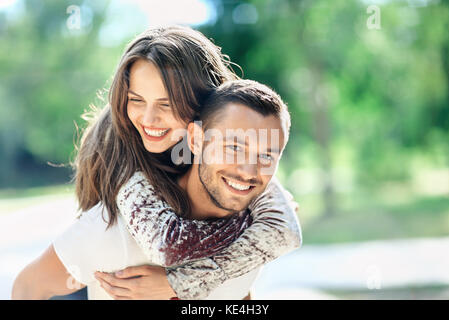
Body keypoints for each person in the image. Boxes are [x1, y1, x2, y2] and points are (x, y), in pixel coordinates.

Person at [11, 26, 301, 300]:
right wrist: (183, 283)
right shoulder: (122, 155)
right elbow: (169, 245)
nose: (148, 120)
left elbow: (282, 231)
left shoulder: (232, 164)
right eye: (136, 100)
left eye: (166, 104)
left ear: (207, 107)